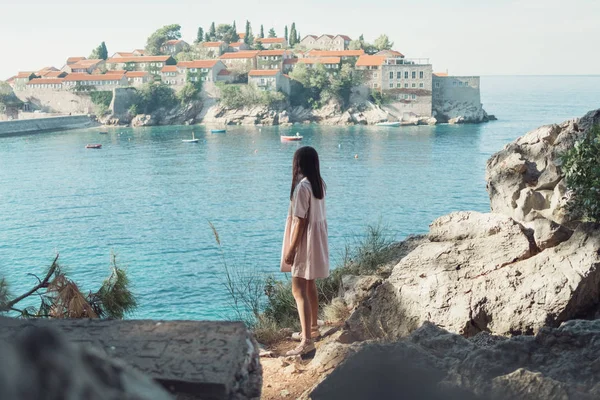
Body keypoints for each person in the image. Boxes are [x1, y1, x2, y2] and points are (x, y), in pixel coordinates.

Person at [281, 146, 330, 356]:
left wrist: (291, 250)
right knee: (310, 285)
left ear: (298, 163)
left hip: (303, 240)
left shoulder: (302, 187)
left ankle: (306, 340)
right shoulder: (318, 184)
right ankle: (313, 329)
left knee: (298, 290)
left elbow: (300, 222)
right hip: (316, 238)